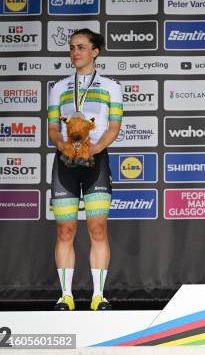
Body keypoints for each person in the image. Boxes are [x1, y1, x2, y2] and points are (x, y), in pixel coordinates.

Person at [48, 29, 123, 310]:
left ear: (95, 52)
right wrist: (62, 145)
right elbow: (53, 128)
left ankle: (98, 296)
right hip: (65, 162)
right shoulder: (58, 87)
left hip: (96, 160)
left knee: (98, 228)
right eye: (71, 48)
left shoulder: (111, 86)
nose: (75, 52)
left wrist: (97, 147)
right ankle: (65, 295)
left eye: (81, 47)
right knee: (65, 230)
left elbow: (114, 126)